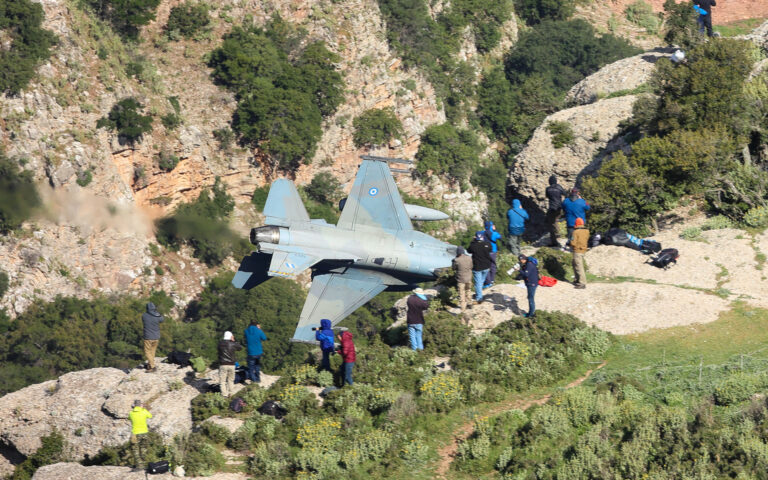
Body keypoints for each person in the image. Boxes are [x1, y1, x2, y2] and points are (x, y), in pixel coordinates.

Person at [467, 231, 492, 303]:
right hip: (486, 266)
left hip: (477, 267)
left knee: (478, 282)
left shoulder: (473, 245)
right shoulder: (487, 244)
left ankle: (479, 298)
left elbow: (468, 251)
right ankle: (479, 293)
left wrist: (473, 241)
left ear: (475, 237)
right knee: (481, 281)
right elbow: (490, 249)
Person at [129, 399, 152, 470]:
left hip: (135, 433)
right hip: (144, 432)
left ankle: (139, 466)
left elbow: (129, 418)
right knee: (143, 449)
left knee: (135, 450)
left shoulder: (131, 413)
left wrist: (134, 408)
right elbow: (150, 416)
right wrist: (143, 409)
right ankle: (144, 464)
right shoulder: (144, 412)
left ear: (134, 405)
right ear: (140, 405)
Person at [218, 331, 242, 398]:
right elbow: (240, 348)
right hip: (231, 364)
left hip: (222, 364)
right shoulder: (232, 344)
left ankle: (224, 394)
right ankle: (231, 393)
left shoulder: (220, 343)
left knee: (222, 381)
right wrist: (233, 341)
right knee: (230, 380)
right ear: (231, 336)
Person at [545, 175, 566, 247]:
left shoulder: (548, 189)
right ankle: (558, 233)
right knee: (556, 220)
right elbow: (565, 194)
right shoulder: (559, 187)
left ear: (549, 182)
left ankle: (554, 240)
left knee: (550, 223)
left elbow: (547, 196)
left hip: (552, 208)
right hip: (559, 208)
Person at [141, 302, 163, 372]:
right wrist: (156, 312)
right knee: (152, 351)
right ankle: (150, 364)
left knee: (147, 351)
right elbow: (162, 319)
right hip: (156, 337)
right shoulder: (157, 316)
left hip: (148, 337)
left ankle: (152, 367)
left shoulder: (144, 316)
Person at [452, 246, 473, 316]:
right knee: (468, 290)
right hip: (469, 277)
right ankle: (470, 304)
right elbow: (471, 266)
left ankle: (463, 309)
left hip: (461, 279)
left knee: (462, 293)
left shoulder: (456, 260)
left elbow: (453, 268)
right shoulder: (469, 258)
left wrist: (453, 261)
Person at [482, 221, 503, 288]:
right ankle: (492, 280)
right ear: (491, 226)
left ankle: (488, 282)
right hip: (493, 251)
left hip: (485, 251)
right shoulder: (494, 233)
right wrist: (494, 230)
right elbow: (500, 237)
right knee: (493, 266)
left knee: (486, 266)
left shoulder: (482, 233)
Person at [571, 217, 589, 289]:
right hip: (584, 249)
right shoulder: (587, 231)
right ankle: (577, 280)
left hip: (577, 250)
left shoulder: (575, 232)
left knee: (578, 266)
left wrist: (570, 243)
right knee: (576, 264)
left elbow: (573, 242)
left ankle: (582, 283)